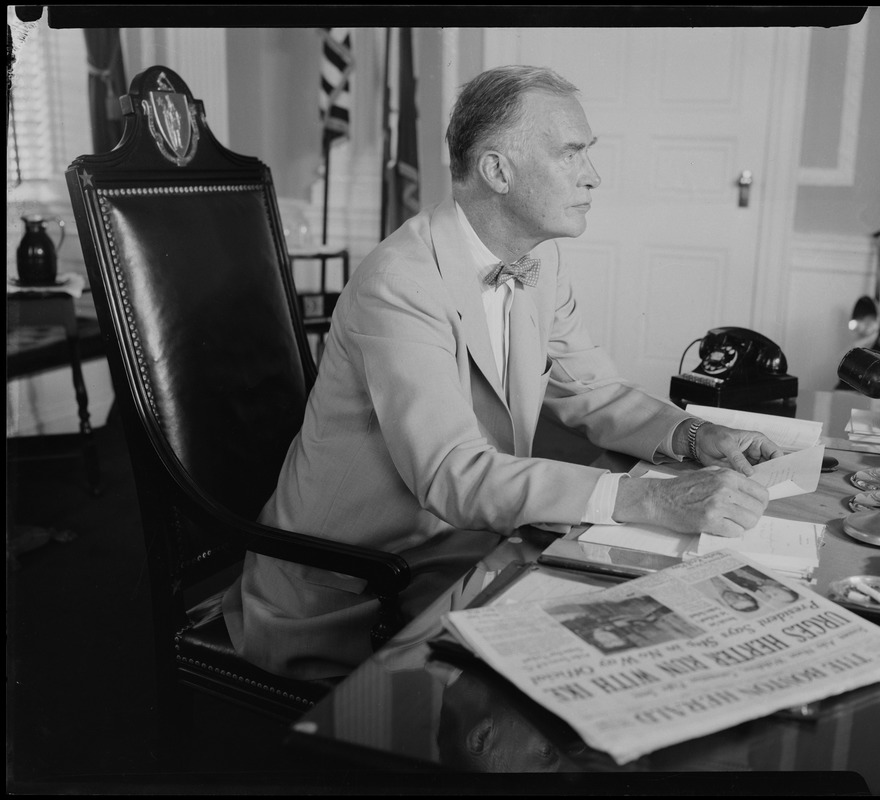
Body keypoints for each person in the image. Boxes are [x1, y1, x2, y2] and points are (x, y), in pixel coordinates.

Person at [223, 65, 782, 680]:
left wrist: (698, 436)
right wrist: (648, 496)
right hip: (351, 584)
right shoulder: (401, 280)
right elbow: (452, 475)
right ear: (497, 171)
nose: (593, 177)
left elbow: (592, 391)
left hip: (462, 548)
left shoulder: (538, 259)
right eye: (572, 154)